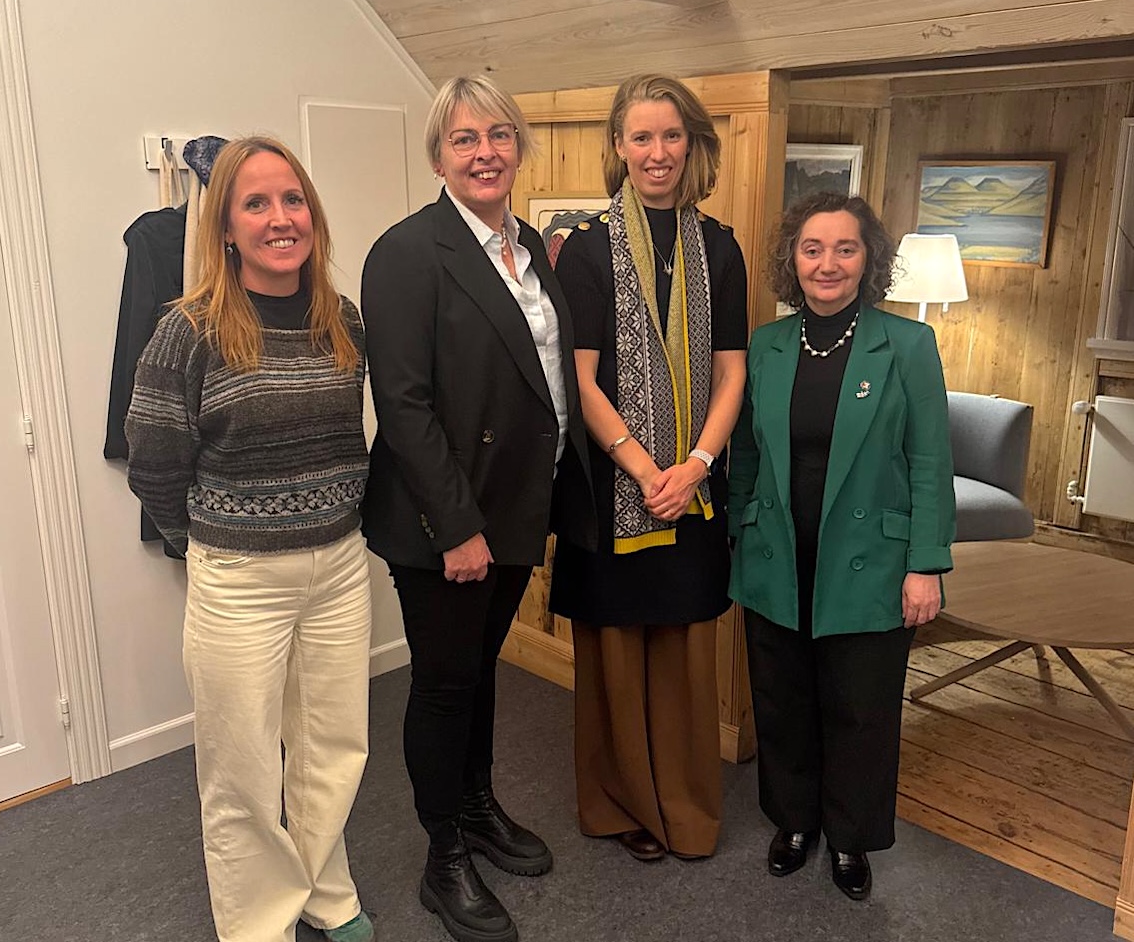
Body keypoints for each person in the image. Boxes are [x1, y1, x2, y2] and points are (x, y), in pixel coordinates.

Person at [359, 76, 595, 942]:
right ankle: (442, 855)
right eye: (465, 139)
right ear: (438, 158)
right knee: (444, 682)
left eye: (498, 135)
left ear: (518, 148)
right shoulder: (406, 252)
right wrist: (456, 527)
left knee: (479, 670)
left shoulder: (527, 245)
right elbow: (404, 403)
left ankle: (476, 804)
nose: (485, 152)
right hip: (445, 521)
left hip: (518, 503)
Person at [125, 136, 375, 942]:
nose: (280, 218)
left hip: (339, 568)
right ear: (227, 228)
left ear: (313, 215)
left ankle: (325, 891)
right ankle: (260, 923)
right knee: (242, 764)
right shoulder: (189, 329)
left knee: (332, 745)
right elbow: (153, 459)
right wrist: (205, 543)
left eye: (292, 199)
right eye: (256, 204)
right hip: (238, 577)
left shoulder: (342, 319)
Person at [728, 191, 955, 900]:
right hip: (778, 556)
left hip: (871, 563)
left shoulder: (908, 345)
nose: (828, 264)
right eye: (812, 249)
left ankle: (851, 836)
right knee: (783, 700)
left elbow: (930, 461)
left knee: (862, 707)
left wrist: (925, 564)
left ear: (868, 259)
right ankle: (794, 821)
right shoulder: (766, 344)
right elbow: (745, 453)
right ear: (792, 260)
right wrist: (737, 531)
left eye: (845, 249)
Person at [549, 74, 748, 863]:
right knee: (616, 655)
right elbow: (579, 380)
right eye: (642, 137)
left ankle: (688, 808)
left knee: (683, 649)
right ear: (619, 146)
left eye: (671, 136)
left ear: (692, 144)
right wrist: (642, 468)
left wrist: (694, 465)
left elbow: (732, 371)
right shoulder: (586, 249)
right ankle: (620, 804)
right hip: (612, 491)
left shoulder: (721, 247)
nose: (657, 152)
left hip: (693, 492)